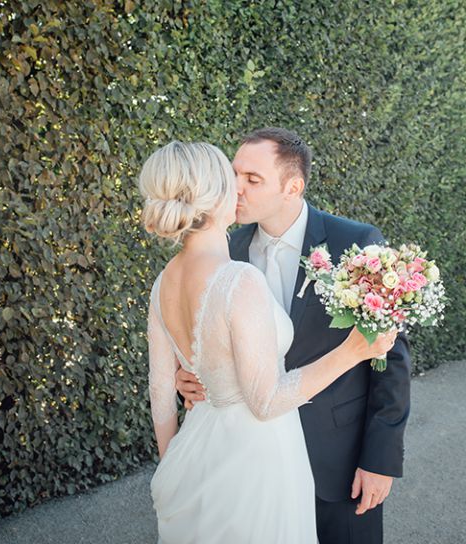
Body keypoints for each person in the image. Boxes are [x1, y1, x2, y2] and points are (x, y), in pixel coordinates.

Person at [140, 140, 397, 543]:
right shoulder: (237, 271)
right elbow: (262, 400)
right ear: (215, 194)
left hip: (211, 452)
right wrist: (352, 352)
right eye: (233, 176)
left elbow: (158, 388)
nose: (239, 188)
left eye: (251, 178)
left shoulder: (163, 281)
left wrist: (172, 464)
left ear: (292, 186)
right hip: (261, 458)